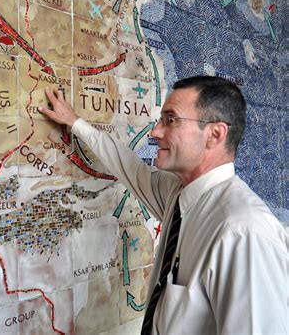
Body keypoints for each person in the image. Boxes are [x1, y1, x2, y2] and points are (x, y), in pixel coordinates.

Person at [39, 76, 288, 334]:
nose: (155, 132)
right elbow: (129, 167)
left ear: (214, 134)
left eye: (171, 120)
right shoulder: (177, 194)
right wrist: (75, 123)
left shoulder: (243, 233)